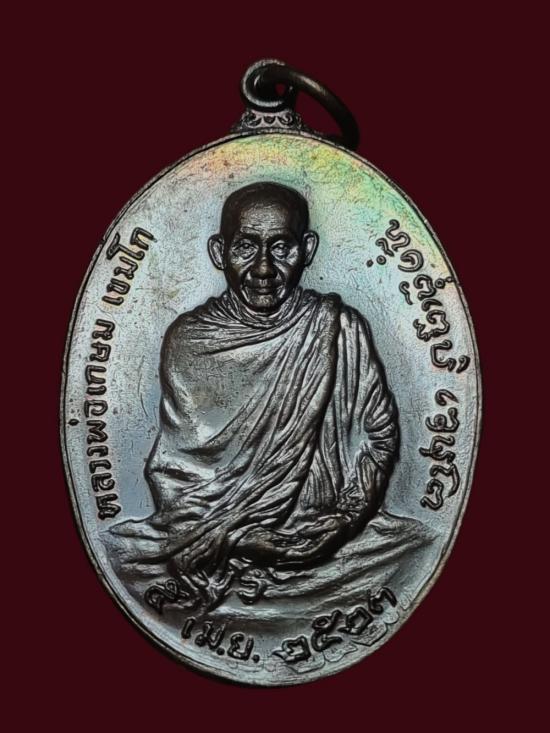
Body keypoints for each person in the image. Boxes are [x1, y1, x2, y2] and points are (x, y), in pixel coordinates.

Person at [108, 182, 399, 611]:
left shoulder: (338, 329)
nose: (264, 268)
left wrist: (345, 520)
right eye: (246, 247)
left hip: (331, 536)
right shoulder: (190, 340)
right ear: (219, 252)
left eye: (281, 248)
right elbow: (178, 476)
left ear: (308, 249)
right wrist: (242, 537)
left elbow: (379, 437)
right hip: (218, 540)